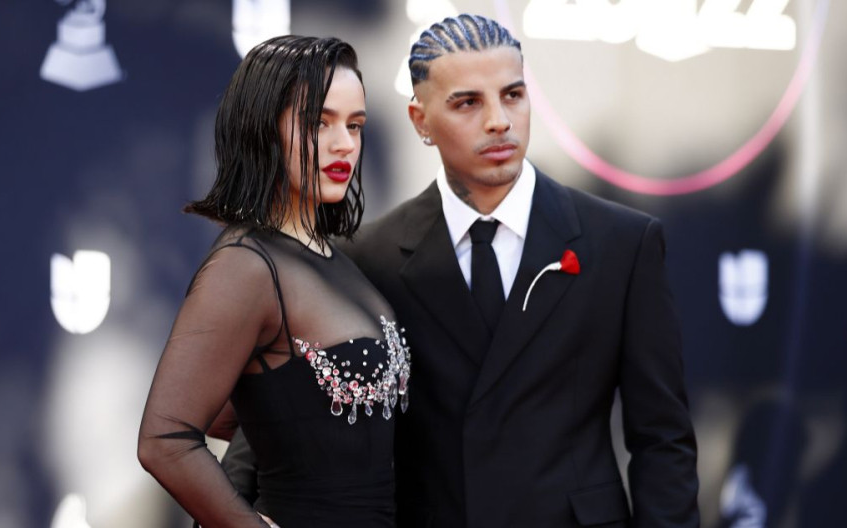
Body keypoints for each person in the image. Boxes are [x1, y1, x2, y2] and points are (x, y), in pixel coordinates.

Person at [225, 14, 699, 527]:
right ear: (419, 120)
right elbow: (280, 417)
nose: (499, 120)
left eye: (513, 95)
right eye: (468, 102)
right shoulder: (370, 257)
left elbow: (662, 439)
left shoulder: (622, 243)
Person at [137, 35, 410, 528]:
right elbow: (164, 438)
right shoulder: (246, 266)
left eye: (355, 125)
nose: (344, 143)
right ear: (263, 129)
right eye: (319, 122)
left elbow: (261, 405)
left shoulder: (332, 257)